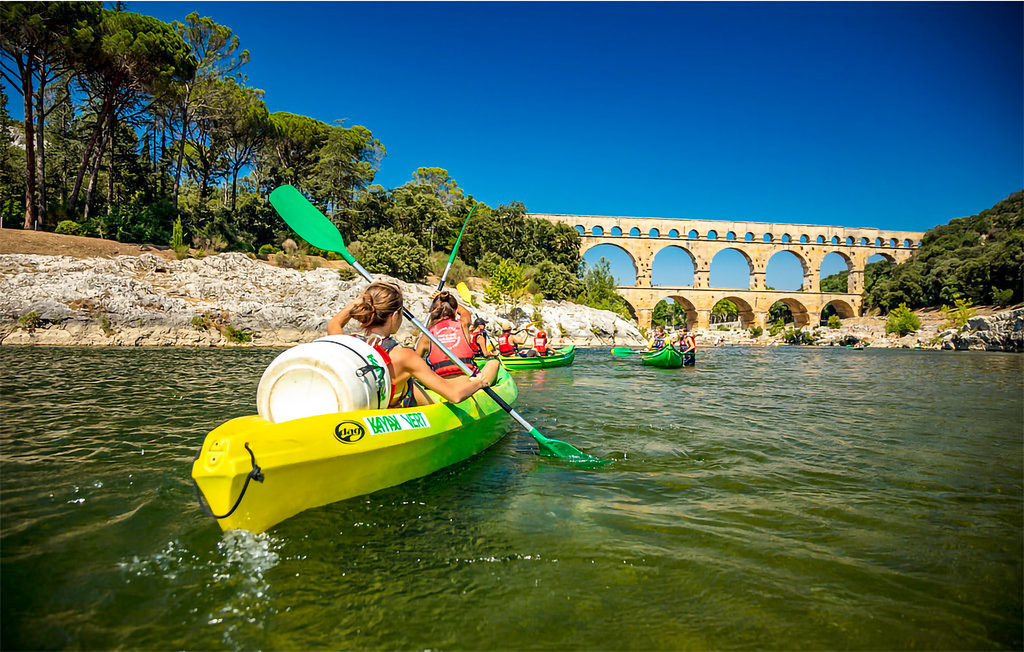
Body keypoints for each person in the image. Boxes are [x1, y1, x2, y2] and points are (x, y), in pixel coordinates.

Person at [326, 282, 499, 408]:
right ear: (394, 316)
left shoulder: (347, 343)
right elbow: (454, 396)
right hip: (394, 408)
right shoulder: (404, 356)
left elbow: (333, 324)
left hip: (366, 406)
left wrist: (360, 301)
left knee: (411, 382)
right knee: (410, 382)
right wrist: (479, 382)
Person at [414, 291, 478, 377]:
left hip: (442, 384)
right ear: (455, 311)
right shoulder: (463, 324)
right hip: (467, 379)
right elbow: (465, 312)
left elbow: (414, 362)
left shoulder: (427, 336)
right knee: (494, 363)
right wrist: (447, 301)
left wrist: (441, 302)